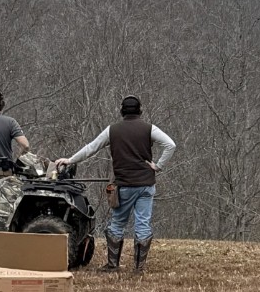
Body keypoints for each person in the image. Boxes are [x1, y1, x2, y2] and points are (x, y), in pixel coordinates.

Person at [56, 95, 176, 275]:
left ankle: (113, 265)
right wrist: (157, 166)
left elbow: (91, 148)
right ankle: (138, 268)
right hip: (146, 184)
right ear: (139, 110)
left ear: (122, 111)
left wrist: (71, 160)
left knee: (117, 223)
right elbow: (170, 145)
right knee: (143, 223)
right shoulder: (149, 129)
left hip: (124, 184)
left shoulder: (112, 130)